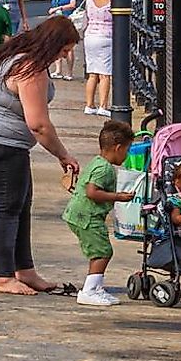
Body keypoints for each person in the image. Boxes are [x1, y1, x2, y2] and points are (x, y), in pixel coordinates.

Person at [0, 15, 81, 295]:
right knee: (5, 207)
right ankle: (3, 277)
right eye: (64, 50)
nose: (66, 56)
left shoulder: (20, 56)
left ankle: (24, 270)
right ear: (52, 45)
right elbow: (38, 124)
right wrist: (64, 156)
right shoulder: (31, 68)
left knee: (21, 203)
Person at [65, 119, 136, 305]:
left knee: (99, 250)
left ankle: (95, 287)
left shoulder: (97, 162)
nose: (127, 155)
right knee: (102, 251)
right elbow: (92, 192)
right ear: (118, 147)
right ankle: (90, 290)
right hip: (88, 217)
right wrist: (118, 197)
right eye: (127, 150)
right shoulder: (105, 169)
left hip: (80, 215)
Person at [77, 0, 113, 115]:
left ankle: (89, 105)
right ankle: (103, 106)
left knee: (92, 74)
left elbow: (87, 17)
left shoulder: (89, 0)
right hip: (106, 37)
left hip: (90, 36)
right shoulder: (112, 1)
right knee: (104, 74)